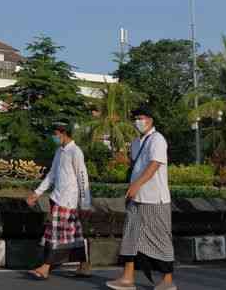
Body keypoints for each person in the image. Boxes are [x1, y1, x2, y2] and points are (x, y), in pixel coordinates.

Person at [106, 108, 177, 290]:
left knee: (159, 238)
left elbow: (155, 164)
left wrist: (137, 184)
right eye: (136, 118)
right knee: (130, 237)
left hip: (155, 199)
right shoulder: (136, 142)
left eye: (141, 118)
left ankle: (167, 281)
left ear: (150, 120)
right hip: (136, 198)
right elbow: (135, 165)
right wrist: (132, 187)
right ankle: (127, 278)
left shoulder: (157, 139)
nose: (138, 121)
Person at [26, 121, 91, 280]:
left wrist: (85, 203)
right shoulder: (59, 152)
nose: (54, 137)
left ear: (63, 133)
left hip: (68, 200)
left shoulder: (75, 152)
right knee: (73, 234)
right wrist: (37, 193)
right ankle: (84, 265)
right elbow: (51, 175)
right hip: (57, 197)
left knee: (55, 235)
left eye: (55, 134)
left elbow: (82, 178)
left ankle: (45, 267)